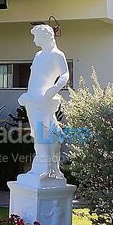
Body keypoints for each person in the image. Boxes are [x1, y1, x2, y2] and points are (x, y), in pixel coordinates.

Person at [18, 24, 70, 180]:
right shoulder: (38, 55)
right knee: (40, 133)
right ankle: (46, 167)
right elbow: (34, 79)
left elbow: (65, 75)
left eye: (36, 37)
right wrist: (27, 96)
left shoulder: (57, 55)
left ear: (46, 37)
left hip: (44, 101)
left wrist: (54, 89)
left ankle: (45, 168)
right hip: (32, 101)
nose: (34, 40)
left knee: (43, 134)